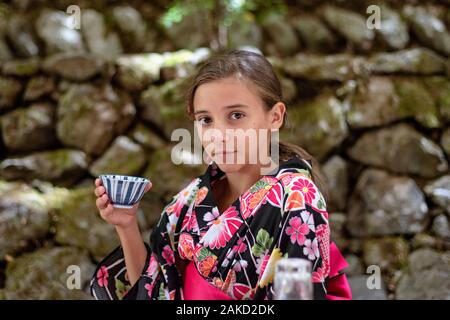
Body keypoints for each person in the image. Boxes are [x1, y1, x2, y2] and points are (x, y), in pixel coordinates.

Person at [90, 50, 352, 300]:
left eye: (236, 115)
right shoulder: (189, 201)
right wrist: (126, 225)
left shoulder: (296, 200)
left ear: (275, 117)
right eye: (206, 120)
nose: (219, 134)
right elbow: (152, 289)